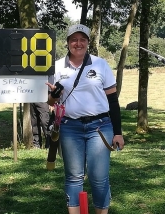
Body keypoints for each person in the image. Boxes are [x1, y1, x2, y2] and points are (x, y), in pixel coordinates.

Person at [47, 24, 124, 214]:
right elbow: (50, 100)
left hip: (99, 127)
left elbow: (113, 101)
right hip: (69, 127)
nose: (78, 43)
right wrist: (55, 94)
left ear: (88, 42)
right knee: (74, 176)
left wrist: (118, 132)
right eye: (74, 39)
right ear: (68, 42)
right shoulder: (56, 66)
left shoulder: (100, 64)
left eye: (82, 39)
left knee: (99, 177)